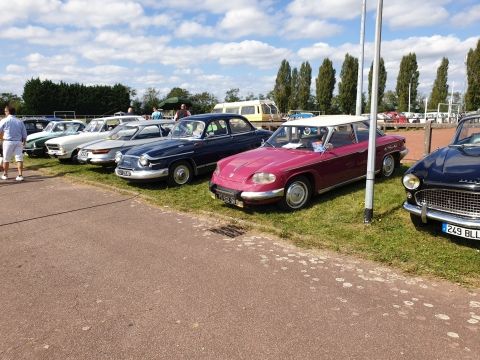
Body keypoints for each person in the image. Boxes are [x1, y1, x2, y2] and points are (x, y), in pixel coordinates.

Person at [0, 105, 27, 181]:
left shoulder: (4, 120)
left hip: (8, 142)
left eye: (5, 111)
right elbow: (24, 133)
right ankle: (20, 175)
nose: (4, 112)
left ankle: (5, 174)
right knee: (19, 159)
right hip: (18, 142)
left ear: (8, 112)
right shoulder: (19, 121)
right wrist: (24, 142)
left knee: (6, 159)